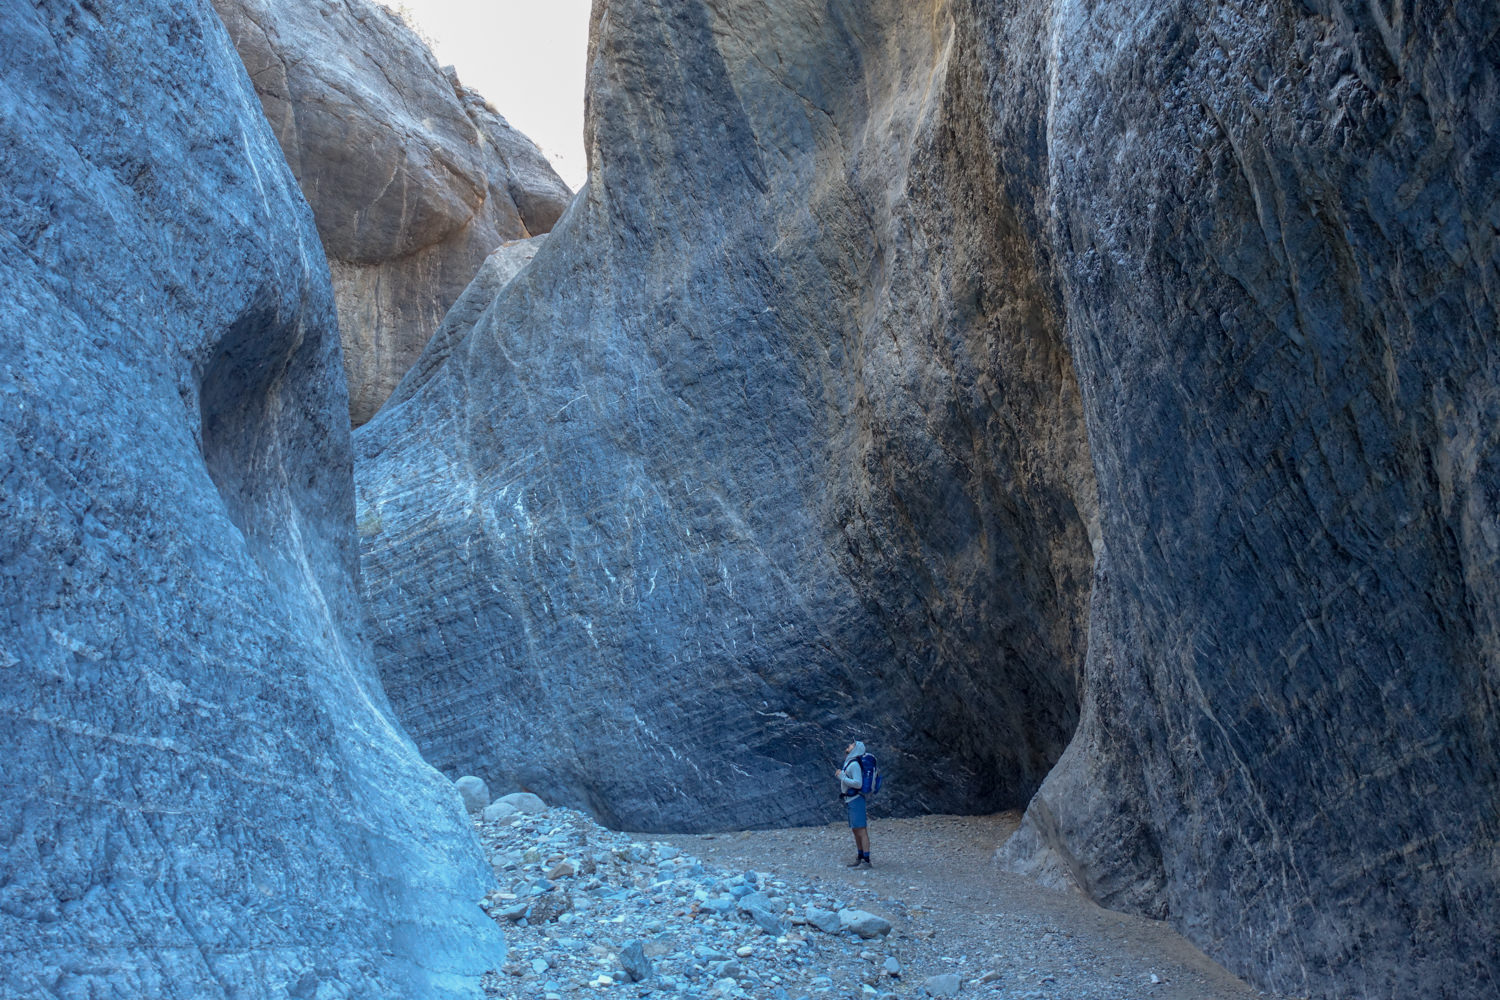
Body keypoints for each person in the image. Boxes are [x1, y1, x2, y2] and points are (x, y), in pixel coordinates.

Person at [836, 740, 872, 867]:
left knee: (861, 830)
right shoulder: (850, 763)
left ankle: (866, 860)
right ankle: (860, 857)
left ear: (856, 749)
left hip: (856, 800)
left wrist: (842, 777)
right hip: (851, 800)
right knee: (856, 830)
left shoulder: (854, 764)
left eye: (852, 744)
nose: (849, 746)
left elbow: (858, 783)